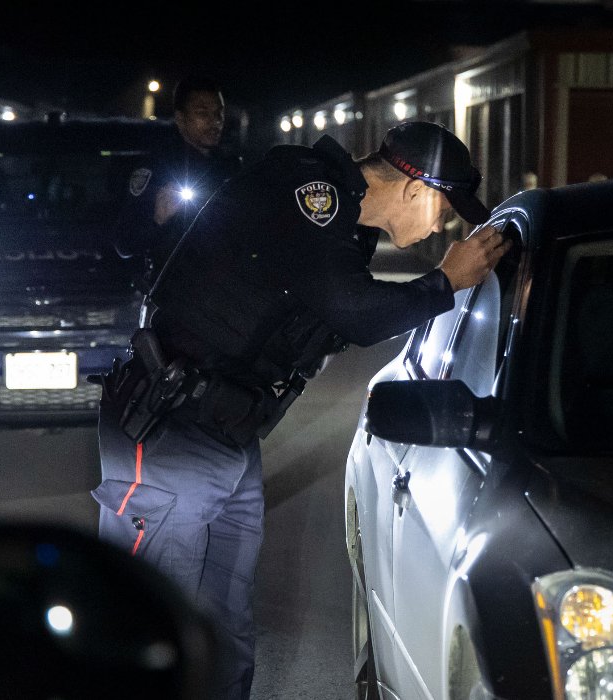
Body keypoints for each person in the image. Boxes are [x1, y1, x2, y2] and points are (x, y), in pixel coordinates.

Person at [93, 121, 508, 699]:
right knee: (150, 618)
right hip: (172, 426)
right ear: (415, 191)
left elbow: (323, 320)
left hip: (229, 432)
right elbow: (355, 312)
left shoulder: (342, 228)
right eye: (444, 209)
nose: (441, 226)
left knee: (225, 622)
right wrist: (445, 283)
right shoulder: (311, 196)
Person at [117, 76, 243, 275]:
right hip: (174, 295)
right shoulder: (158, 168)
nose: (215, 121)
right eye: (203, 113)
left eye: (219, 113)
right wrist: (158, 220)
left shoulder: (231, 166)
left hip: (225, 293)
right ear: (180, 118)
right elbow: (125, 244)